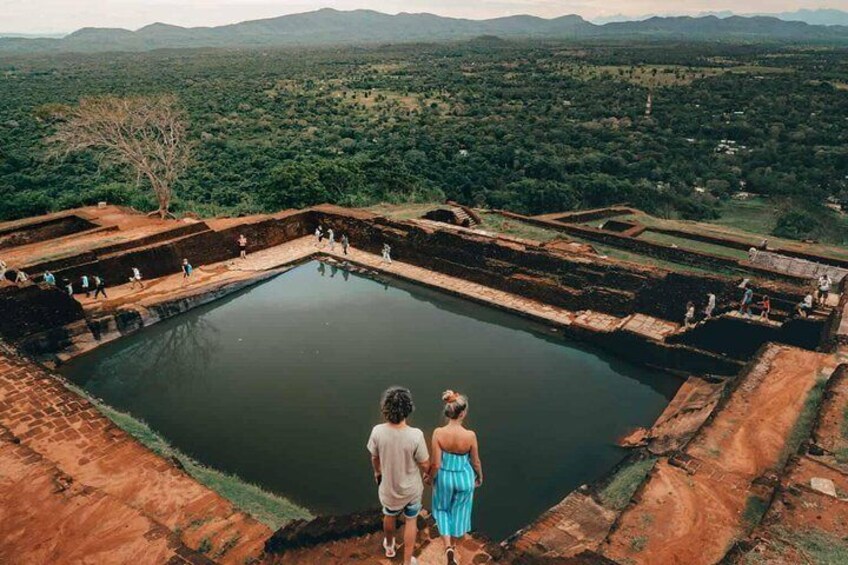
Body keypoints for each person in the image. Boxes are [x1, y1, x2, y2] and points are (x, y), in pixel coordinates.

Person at [367, 387, 430, 565]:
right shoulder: (415, 435)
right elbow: (425, 464)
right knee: (411, 521)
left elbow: (374, 457)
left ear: (385, 408)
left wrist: (377, 472)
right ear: (408, 409)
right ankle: (408, 560)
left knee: (389, 515)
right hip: (411, 490)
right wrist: (429, 474)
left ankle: (389, 546)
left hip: (389, 489)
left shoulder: (377, 431)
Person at [431, 390, 483, 565]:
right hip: (464, 478)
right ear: (462, 413)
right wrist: (479, 477)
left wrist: (430, 477)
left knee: (442, 509)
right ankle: (453, 543)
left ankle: (448, 548)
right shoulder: (470, 435)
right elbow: (475, 461)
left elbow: (436, 463)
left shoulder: (438, 432)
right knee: (459, 512)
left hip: (444, 477)